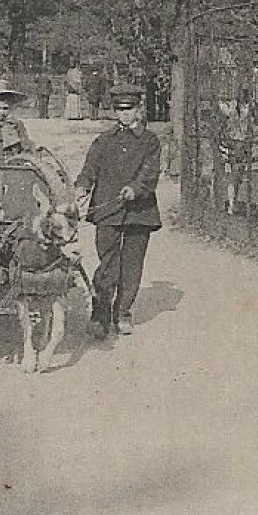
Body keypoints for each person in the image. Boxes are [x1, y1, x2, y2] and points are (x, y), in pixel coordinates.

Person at [75, 84, 163, 337]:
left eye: (129, 109)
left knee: (132, 265)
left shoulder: (150, 141)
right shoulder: (103, 140)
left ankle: (122, 312)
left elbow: (150, 171)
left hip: (140, 213)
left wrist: (136, 188)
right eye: (119, 109)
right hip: (108, 211)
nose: (124, 114)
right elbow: (90, 167)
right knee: (108, 263)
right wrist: (82, 186)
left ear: (138, 109)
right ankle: (101, 314)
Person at [218, 88, 255, 215]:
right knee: (235, 175)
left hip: (236, 143)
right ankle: (231, 204)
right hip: (236, 143)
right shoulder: (240, 110)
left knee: (235, 175)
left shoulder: (234, 110)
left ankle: (232, 202)